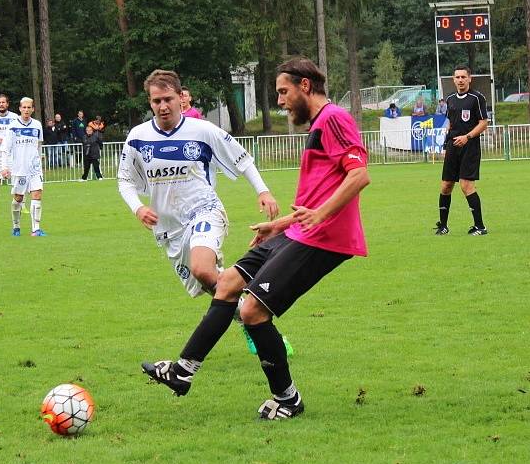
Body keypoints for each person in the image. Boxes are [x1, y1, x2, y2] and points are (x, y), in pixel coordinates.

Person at [140, 57, 370, 421]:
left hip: (323, 238)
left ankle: (288, 399)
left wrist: (318, 217)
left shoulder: (335, 118)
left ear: (304, 86)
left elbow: (358, 176)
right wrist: (278, 225)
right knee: (228, 282)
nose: (279, 100)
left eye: (283, 91)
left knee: (252, 310)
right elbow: (317, 195)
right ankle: (183, 370)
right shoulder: (319, 125)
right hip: (300, 229)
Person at [118, 69, 279, 353]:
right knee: (209, 282)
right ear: (149, 102)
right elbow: (124, 180)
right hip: (169, 229)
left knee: (202, 268)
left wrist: (263, 191)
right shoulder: (138, 137)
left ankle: (255, 318)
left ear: (181, 98)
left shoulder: (202, 130)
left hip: (204, 211)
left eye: (167, 99)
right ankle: (249, 317)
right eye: (156, 101)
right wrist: (138, 208)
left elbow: (242, 159)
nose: (162, 106)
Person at [435, 66, 489, 236]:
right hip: (453, 146)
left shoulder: (477, 98)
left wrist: (467, 137)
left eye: (463, 77)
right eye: (457, 77)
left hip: (470, 147)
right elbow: (450, 123)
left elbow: (483, 123)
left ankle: (480, 227)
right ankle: (443, 226)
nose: (460, 80)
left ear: (469, 78)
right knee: (446, 186)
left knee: (466, 185)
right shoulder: (450, 99)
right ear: (453, 79)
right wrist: (446, 144)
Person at [1, 97, 46, 237]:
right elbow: (5, 148)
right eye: (24, 107)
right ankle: (16, 226)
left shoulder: (37, 125)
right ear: (20, 109)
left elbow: (38, 145)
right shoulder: (13, 126)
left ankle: (36, 229)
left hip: (34, 169)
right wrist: (5, 167)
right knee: (18, 199)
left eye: (29, 107)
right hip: (19, 169)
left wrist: (39, 161)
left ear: (33, 109)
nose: (26, 110)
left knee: (37, 194)